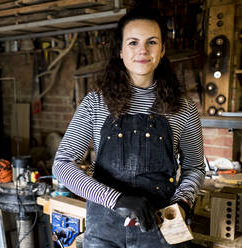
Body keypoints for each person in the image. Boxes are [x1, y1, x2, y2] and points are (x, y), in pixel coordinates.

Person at [53, 7, 205, 248]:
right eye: (133, 42)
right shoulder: (95, 103)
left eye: (152, 42)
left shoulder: (183, 109)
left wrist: (182, 205)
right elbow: (62, 165)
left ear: (162, 50)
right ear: (121, 51)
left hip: (160, 230)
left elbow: (194, 167)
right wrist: (117, 199)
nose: (142, 50)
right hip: (104, 231)